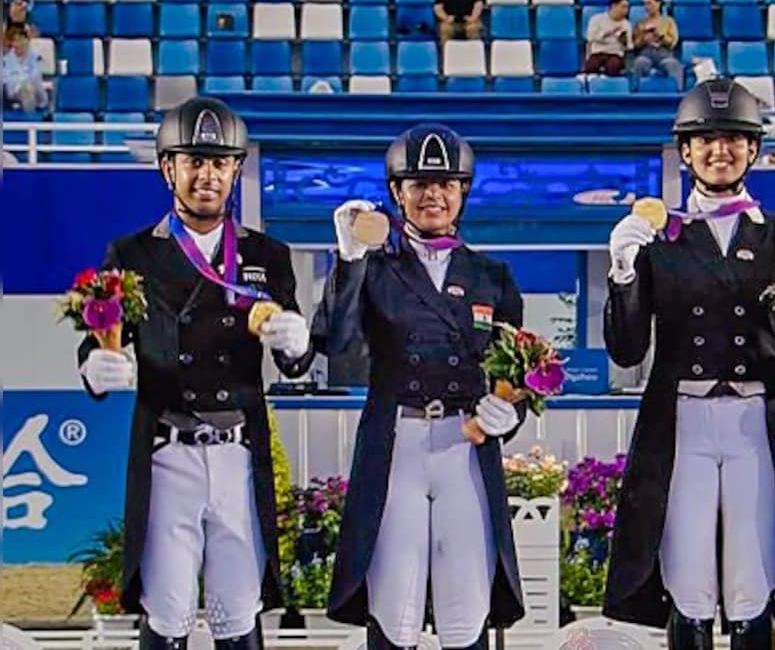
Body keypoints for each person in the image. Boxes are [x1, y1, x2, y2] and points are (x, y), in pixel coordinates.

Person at [602, 78, 775, 649]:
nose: (719, 150)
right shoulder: (661, 239)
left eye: (733, 139)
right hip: (682, 421)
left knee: (751, 578)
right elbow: (628, 349)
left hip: (757, 419)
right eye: (705, 140)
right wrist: (624, 274)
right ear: (685, 151)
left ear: (753, 149)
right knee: (688, 579)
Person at [77, 97, 315, 650]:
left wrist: (298, 342)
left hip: (238, 449)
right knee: (166, 613)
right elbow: (98, 341)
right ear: (169, 169)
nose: (207, 175)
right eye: (194, 161)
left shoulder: (267, 255)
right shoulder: (133, 253)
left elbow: (291, 360)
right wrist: (96, 366)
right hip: (168, 450)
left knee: (239, 612)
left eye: (220, 162)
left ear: (236, 170)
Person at [323, 124, 526, 650]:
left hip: (466, 444)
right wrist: (346, 263)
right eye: (418, 184)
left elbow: (517, 368)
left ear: (462, 192)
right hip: (398, 442)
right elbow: (335, 340)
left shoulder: (492, 276)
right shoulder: (374, 270)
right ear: (397, 193)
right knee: (394, 608)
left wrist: (511, 413)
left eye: (446, 184)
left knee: (467, 606)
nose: (433, 194)